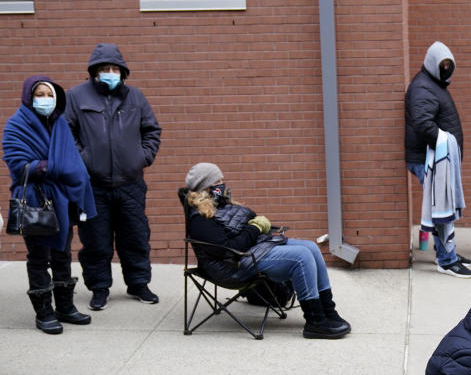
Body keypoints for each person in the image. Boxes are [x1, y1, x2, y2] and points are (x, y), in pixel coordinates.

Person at [183, 163, 351, 339]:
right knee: (302, 257)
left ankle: (328, 311)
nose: (222, 184)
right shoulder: (200, 219)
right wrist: (255, 227)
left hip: (253, 249)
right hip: (235, 264)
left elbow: (240, 231)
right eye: (217, 181)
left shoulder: (220, 205)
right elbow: (230, 249)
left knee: (311, 247)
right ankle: (315, 322)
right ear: (205, 187)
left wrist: (255, 227)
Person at [64, 43, 162, 311]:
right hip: (92, 186)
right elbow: (66, 133)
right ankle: (99, 288)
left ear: (122, 72)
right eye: (105, 69)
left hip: (131, 183)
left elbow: (152, 130)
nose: (110, 72)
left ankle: (139, 283)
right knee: (95, 239)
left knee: (135, 236)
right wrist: (83, 161)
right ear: (94, 72)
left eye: (115, 68)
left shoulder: (136, 97)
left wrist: (142, 157)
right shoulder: (75, 97)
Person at [3, 76, 97, 334]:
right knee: (38, 256)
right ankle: (44, 312)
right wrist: (54, 166)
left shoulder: (61, 125)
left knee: (62, 254)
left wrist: (56, 167)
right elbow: (17, 164)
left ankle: (65, 307)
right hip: (35, 199)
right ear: (28, 97)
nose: (44, 99)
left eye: (49, 95)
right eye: (39, 94)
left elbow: (74, 163)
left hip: (62, 199)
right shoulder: (16, 125)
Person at [404, 41, 471, 278]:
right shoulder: (424, 87)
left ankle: (447, 252)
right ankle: (447, 260)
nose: (446, 68)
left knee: (442, 206)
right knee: (441, 208)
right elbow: (424, 124)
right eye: (442, 64)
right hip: (431, 160)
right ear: (432, 64)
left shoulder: (433, 84)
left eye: (449, 64)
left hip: (437, 158)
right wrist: (446, 144)